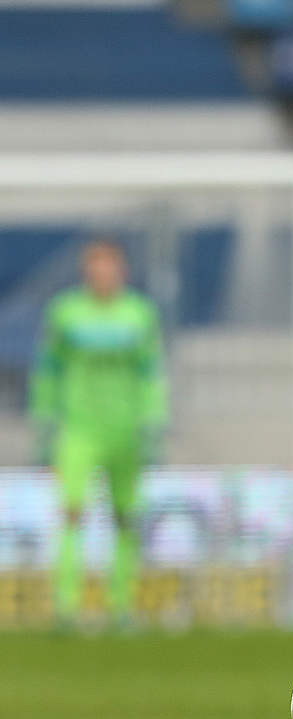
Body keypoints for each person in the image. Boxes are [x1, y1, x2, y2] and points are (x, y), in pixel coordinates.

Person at [30, 239, 167, 628]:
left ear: (120, 270)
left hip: (125, 431)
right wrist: (44, 417)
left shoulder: (139, 314)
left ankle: (121, 606)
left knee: (126, 518)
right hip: (78, 428)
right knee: (72, 514)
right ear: (86, 271)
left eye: (109, 267)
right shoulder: (66, 312)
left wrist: (153, 419)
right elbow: (48, 367)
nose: (102, 274)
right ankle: (66, 607)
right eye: (96, 267)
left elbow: (150, 371)